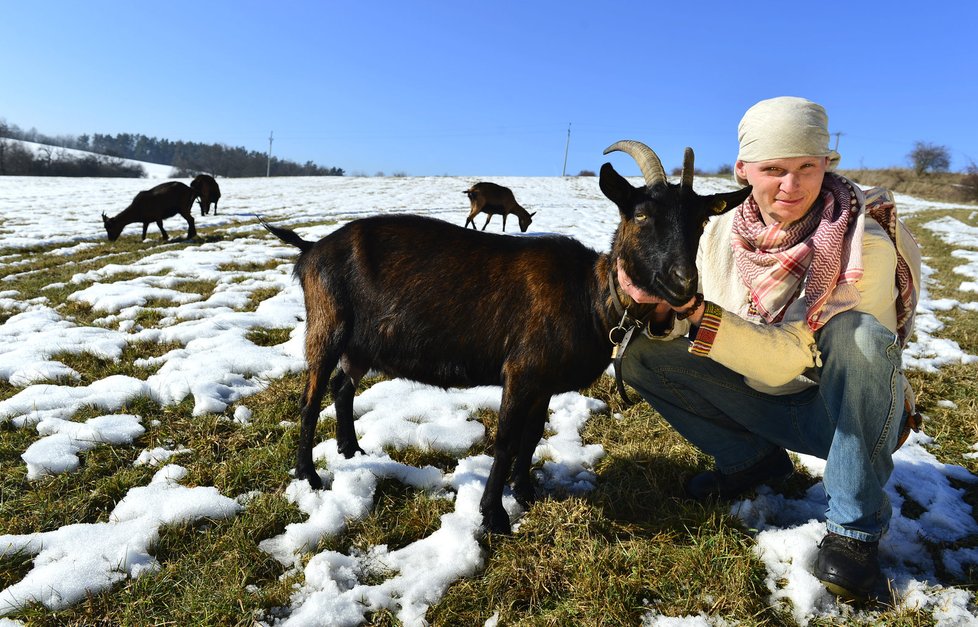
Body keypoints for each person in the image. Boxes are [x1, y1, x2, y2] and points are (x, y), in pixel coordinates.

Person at [616, 96, 922, 601]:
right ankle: (752, 461)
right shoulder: (719, 231)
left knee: (858, 336)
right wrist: (664, 313)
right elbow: (694, 332)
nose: (792, 185)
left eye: (807, 167)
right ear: (743, 170)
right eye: (773, 169)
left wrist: (696, 312)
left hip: (846, 415)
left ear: (828, 164)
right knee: (640, 353)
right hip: (764, 399)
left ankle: (854, 530)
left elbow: (787, 360)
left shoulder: (859, 241)